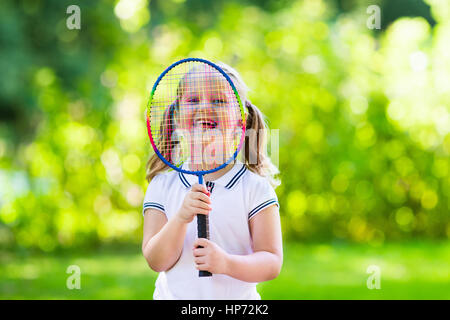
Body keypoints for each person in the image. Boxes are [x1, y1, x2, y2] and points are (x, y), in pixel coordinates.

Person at [142, 61, 282, 299]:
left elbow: (271, 261)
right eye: (193, 100)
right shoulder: (162, 186)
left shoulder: (255, 189)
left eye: (218, 100)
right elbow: (156, 260)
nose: (205, 107)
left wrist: (226, 263)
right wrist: (181, 217)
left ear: (241, 119)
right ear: (177, 118)